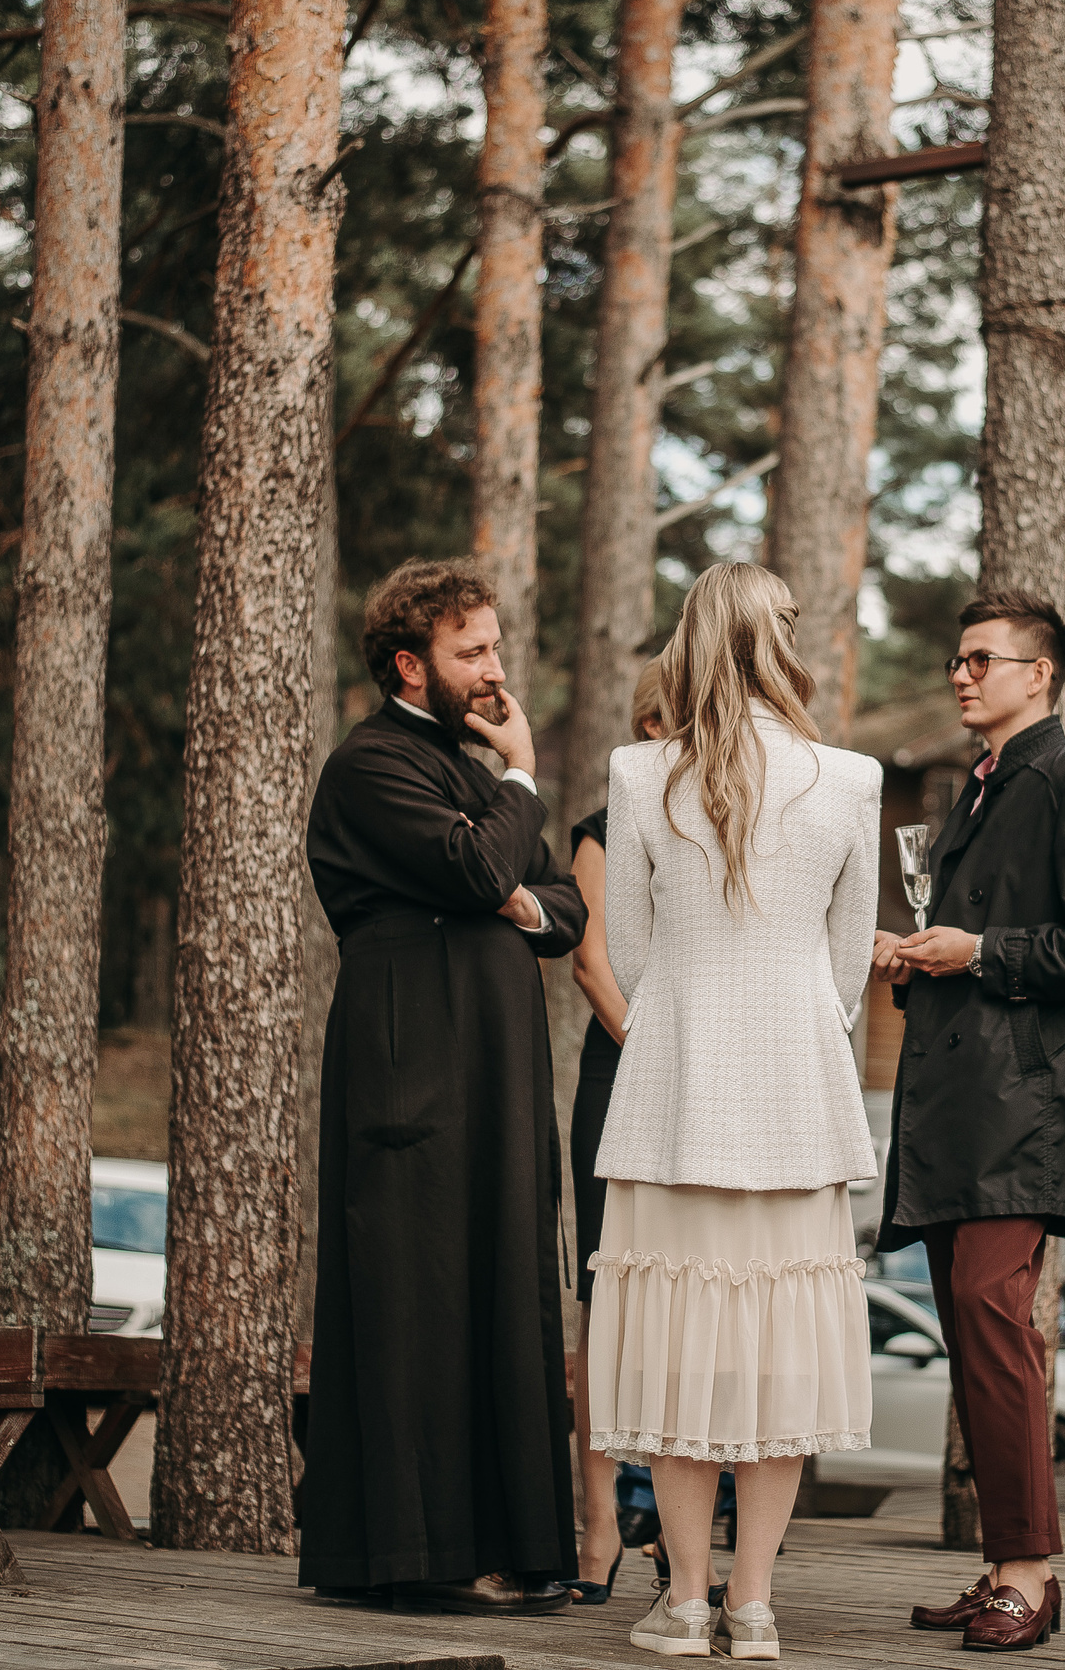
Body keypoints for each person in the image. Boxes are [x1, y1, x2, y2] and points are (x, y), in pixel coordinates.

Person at [583, 562, 881, 1662]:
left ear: (692, 641)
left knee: (676, 1356)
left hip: (672, 1093)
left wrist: (696, 1014)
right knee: (778, 1361)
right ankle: (753, 1604)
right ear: (778, 642)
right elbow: (847, 968)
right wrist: (789, 1019)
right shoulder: (850, 778)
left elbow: (633, 946)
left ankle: (687, 1600)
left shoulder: (636, 771)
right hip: (799, 1094)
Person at [298, 559, 587, 1615]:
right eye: (474, 652)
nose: (494, 669)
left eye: (496, 647)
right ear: (410, 663)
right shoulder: (370, 765)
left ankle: (515, 1545)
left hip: (498, 1072)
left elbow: (561, 909)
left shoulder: (466, 772)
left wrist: (508, 875)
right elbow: (477, 872)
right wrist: (517, 782)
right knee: (417, 1296)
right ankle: (415, 1552)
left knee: (503, 1285)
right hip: (410, 1062)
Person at [875, 592, 1065, 1651]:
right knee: (972, 1332)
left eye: (982, 659)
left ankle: (1030, 1577)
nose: (960, 673)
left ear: (1039, 674)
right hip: (961, 1108)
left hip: (1030, 1113)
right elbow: (977, 939)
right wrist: (919, 953)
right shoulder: (980, 793)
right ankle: (1002, 1562)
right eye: (955, 657)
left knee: (994, 1330)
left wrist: (983, 952)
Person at [561, 658, 671, 1606]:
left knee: (692, 1295)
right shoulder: (601, 832)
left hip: (701, 1085)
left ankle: (680, 1526)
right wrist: (652, 1051)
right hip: (624, 1074)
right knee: (608, 1310)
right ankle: (598, 1522)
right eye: (663, 727)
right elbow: (593, 964)